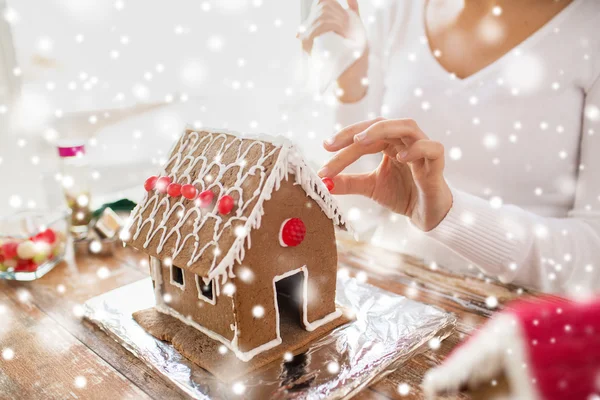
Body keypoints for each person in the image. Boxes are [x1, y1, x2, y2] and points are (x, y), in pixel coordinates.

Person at [298, 0, 600, 295]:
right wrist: (350, 90)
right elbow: (356, 217)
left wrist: (450, 215)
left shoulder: (589, 31)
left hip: (511, 328)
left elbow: (592, 261)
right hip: (389, 301)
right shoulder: (397, 13)